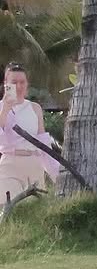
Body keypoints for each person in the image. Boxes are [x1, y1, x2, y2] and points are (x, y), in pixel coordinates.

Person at [0, 62, 60, 201]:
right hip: (10, 163)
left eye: (22, 82)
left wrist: (56, 174)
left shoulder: (35, 108)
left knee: (33, 208)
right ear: (6, 84)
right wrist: (5, 110)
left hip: (34, 164)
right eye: (14, 82)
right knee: (9, 204)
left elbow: (43, 143)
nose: (18, 86)